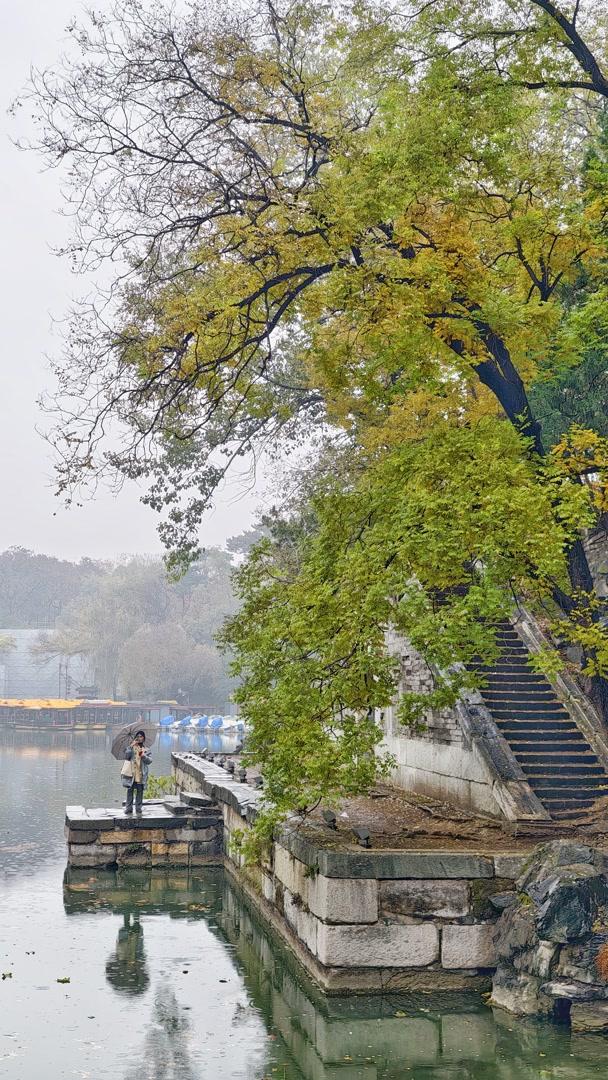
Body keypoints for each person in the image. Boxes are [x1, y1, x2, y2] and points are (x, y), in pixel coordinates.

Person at [123, 730, 151, 814]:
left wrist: (143, 756)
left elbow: (149, 761)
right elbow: (127, 756)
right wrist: (130, 747)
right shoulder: (131, 748)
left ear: (144, 738)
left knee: (140, 791)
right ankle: (129, 808)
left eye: (141, 736)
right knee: (130, 791)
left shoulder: (146, 749)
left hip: (141, 773)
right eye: (138, 736)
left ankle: (138, 808)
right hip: (132, 773)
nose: (139, 738)